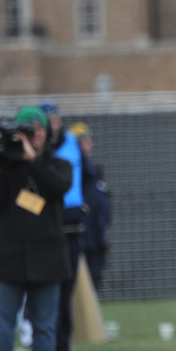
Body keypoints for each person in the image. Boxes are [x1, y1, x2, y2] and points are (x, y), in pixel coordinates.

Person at [0, 106, 72, 351]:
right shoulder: (8, 168)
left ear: (47, 134)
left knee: (45, 327)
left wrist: (32, 160)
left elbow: (56, 186)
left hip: (47, 260)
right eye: (28, 130)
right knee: (3, 326)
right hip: (10, 258)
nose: (34, 135)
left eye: (39, 130)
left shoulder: (58, 165)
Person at [41, 101, 86, 351]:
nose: (54, 125)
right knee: (47, 287)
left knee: (67, 287)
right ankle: (41, 341)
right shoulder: (38, 149)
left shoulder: (70, 142)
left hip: (72, 223)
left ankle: (63, 346)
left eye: (56, 119)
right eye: (49, 120)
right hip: (49, 221)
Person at [70, 123, 111, 292]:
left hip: (97, 238)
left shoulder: (94, 172)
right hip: (82, 240)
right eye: (82, 142)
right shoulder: (75, 171)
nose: (88, 145)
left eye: (87, 141)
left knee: (95, 283)